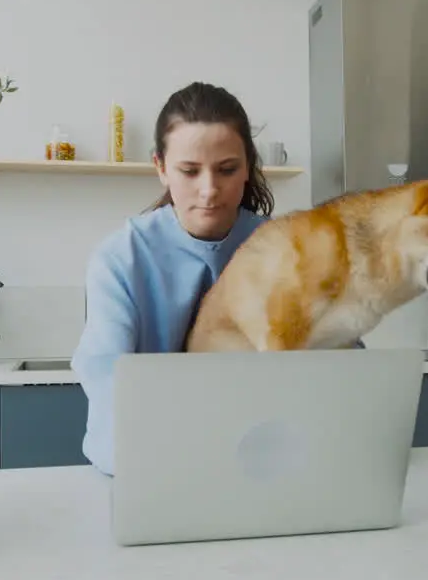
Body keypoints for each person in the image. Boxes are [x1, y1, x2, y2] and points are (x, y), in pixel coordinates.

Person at [70, 81, 276, 476]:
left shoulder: (284, 250)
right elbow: (108, 377)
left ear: (248, 166)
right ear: (161, 168)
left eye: (227, 169)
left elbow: (338, 364)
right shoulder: (121, 259)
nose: (209, 190)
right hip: (143, 467)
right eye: (189, 171)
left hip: (259, 464)